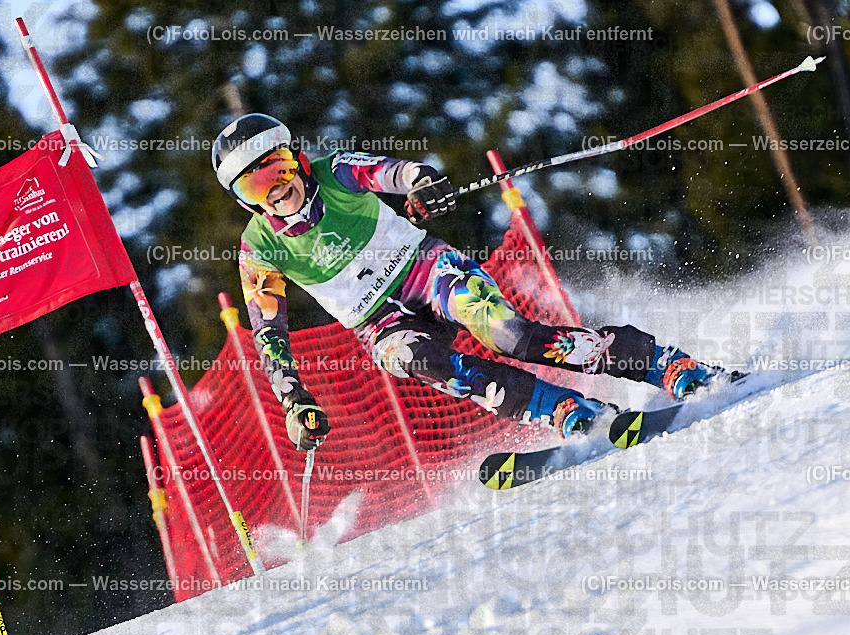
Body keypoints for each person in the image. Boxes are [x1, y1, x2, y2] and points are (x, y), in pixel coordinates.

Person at [213, 114, 728, 450]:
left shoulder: (335, 171)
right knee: (414, 358)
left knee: (510, 335)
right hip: (379, 322)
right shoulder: (259, 250)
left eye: (277, 167)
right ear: (244, 199)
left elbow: (393, 172)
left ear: (296, 158)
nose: (277, 187)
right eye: (256, 182)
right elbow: (268, 334)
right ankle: (562, 408)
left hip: (424, 269)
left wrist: (422, 182)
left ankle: (659, 362)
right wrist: (293, 399)